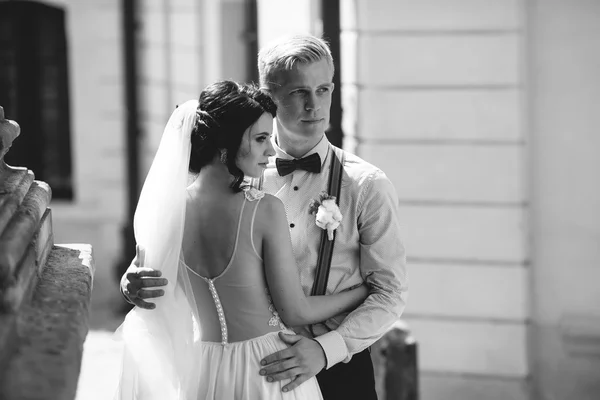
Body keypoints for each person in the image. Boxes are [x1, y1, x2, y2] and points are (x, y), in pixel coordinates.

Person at [122, 35, 408, 399]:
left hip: (339, 369)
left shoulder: (368, 186)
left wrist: (325, 350)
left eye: (323, 90)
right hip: (252, 371)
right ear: (270, 98)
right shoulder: (233, 166)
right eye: (298, 93)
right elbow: (182, 240)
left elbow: (391, 292)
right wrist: (135, 277)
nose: (313, 105)